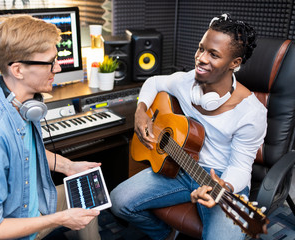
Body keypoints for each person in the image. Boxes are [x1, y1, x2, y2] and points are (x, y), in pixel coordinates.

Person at [110, 13, 267, 240]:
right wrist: (141, 110)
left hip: (220, 179)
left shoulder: (251, 112)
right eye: (201, 48)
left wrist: (224, 185)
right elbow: (153, 82)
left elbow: (241, 167)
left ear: (235, 63)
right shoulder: (186, 81)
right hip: (178, 166)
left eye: (213, 54)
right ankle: (165, 233)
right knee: (118, 202)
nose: (201, 58)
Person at [0, 15, 101, 240]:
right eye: (50, 62)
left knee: (88, 199)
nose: (57, 67)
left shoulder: (20, 104)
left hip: (29, 204)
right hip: (8, 232)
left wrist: (69, 166)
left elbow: (24, 151)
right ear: (18, 70)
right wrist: (60, 219)